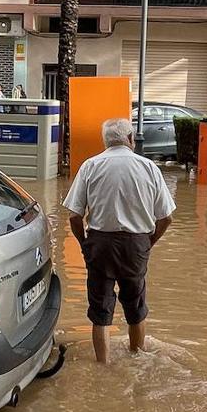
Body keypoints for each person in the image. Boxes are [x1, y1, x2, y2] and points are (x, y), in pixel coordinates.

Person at [64, 118, 175, 364]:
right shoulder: (149, 168)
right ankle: (136, 358)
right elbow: (166, 218)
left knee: (100, 310)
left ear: (105, 142)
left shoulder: (90, 166)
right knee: (136, 307)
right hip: (136, 245)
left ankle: (102, 366)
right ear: (131, 139)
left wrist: (85, 245)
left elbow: (74, 215)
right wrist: (148, 243)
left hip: (99, 244)